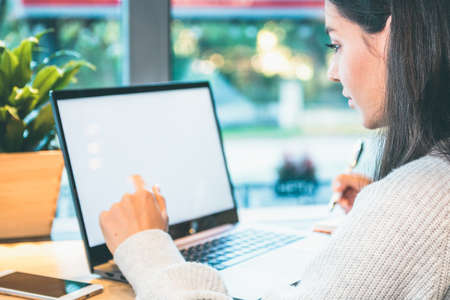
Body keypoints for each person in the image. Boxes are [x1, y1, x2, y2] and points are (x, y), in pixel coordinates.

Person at [99, 0, 450, 299]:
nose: (332, 71)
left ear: (392, 34)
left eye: (336, 44)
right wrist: (375, 224)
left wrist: (146, 247)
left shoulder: (423, 194)